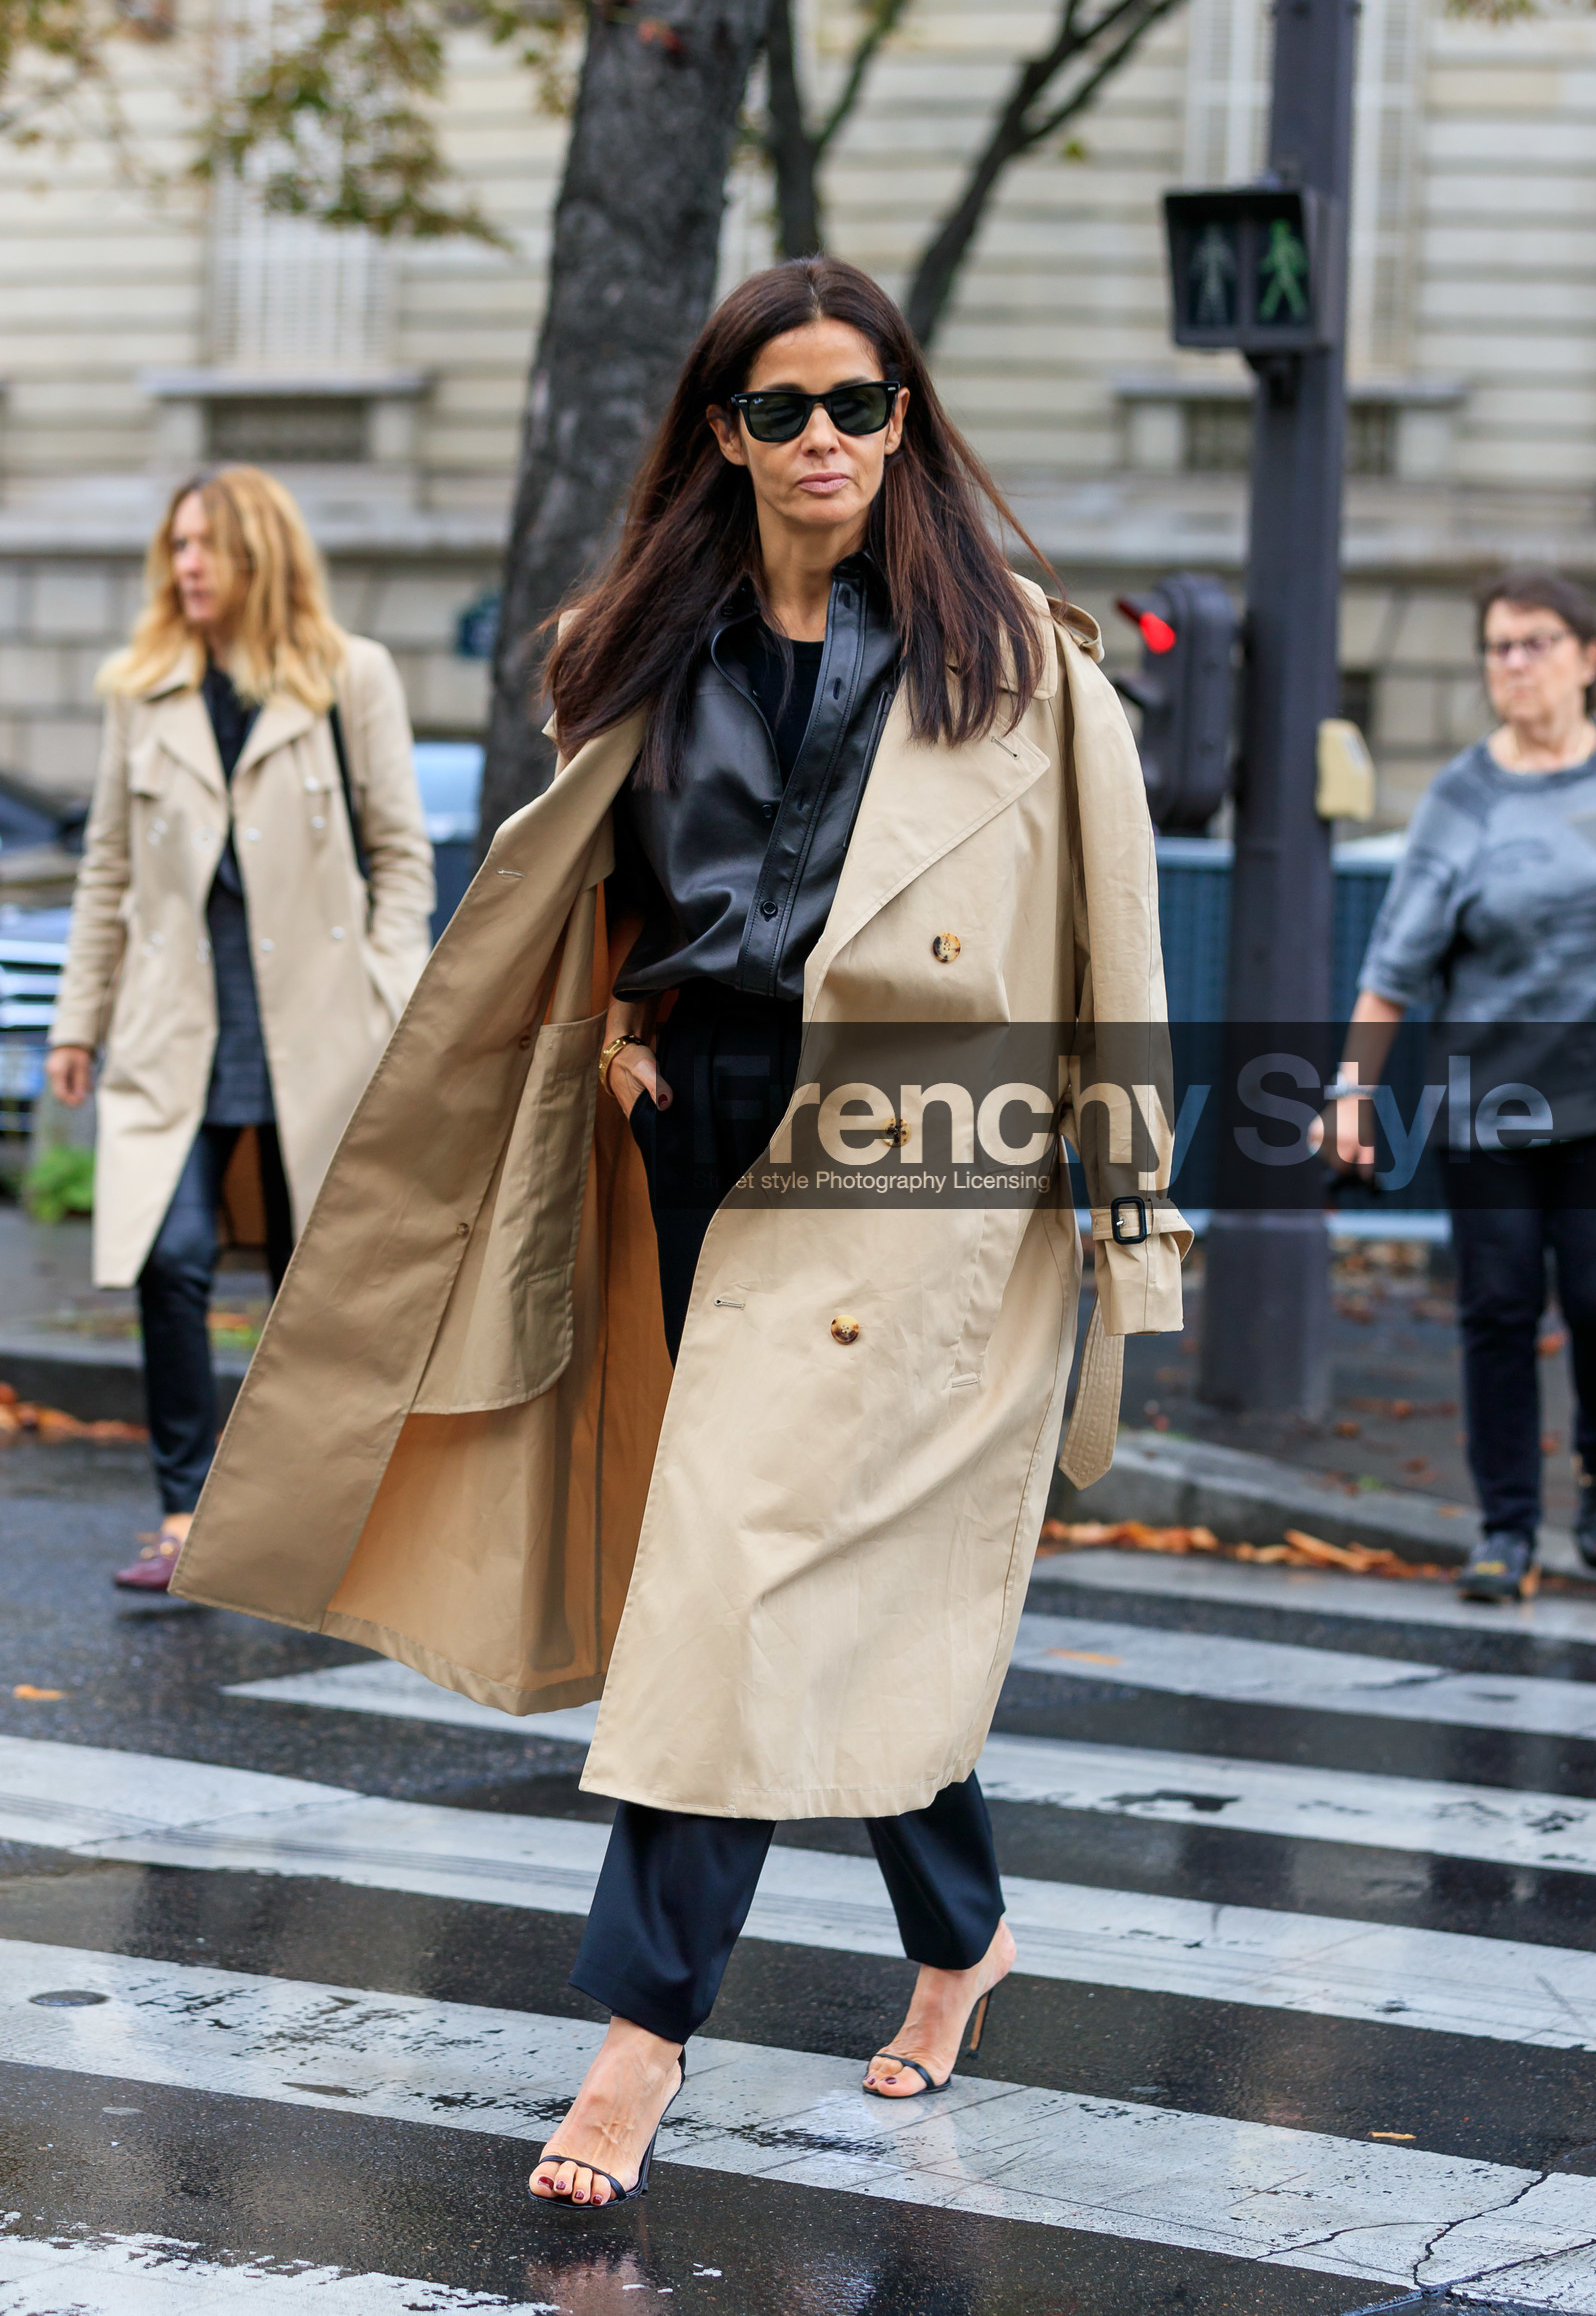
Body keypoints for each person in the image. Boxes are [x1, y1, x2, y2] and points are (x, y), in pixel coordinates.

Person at [171, 259, 1188, 2206]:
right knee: (799, 1594)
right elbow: (597, 898)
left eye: (861, 405)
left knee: (731, 1582)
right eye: (784, 407)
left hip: (919, 1183)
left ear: (908, 422)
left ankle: (637, 2044)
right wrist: (628, 1040)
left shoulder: (1024, 670)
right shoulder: (629, 639)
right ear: (722, 430)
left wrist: (1125, 1240)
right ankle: (960, 1926)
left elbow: (1113, 969)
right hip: (696, 1138)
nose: (827, 442)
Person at [45, 464, 434, 1590]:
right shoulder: (145, 689)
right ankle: (182, 1514)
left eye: (207, 546)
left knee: (307, 1274)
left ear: (261, 556)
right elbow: (107, 868)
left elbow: (400, 854)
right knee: (168, 1259)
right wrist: (80, 1021)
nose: (188, 568)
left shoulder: (348, 676)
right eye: (176, 548)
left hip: (319, 1027)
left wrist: (387, 989)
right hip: (178, 1026)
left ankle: (313, 1519)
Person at [1330, 567, 1596, 1603]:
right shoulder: (1463, 797)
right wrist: (1350, 1094)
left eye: (1536, 643)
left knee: (1595, 1299)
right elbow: (1393, 967)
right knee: (1495, 1311)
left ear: (1586, 660)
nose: (1514, 664)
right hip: (1490, 1109)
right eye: (1498, 645)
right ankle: (1506, 1529)